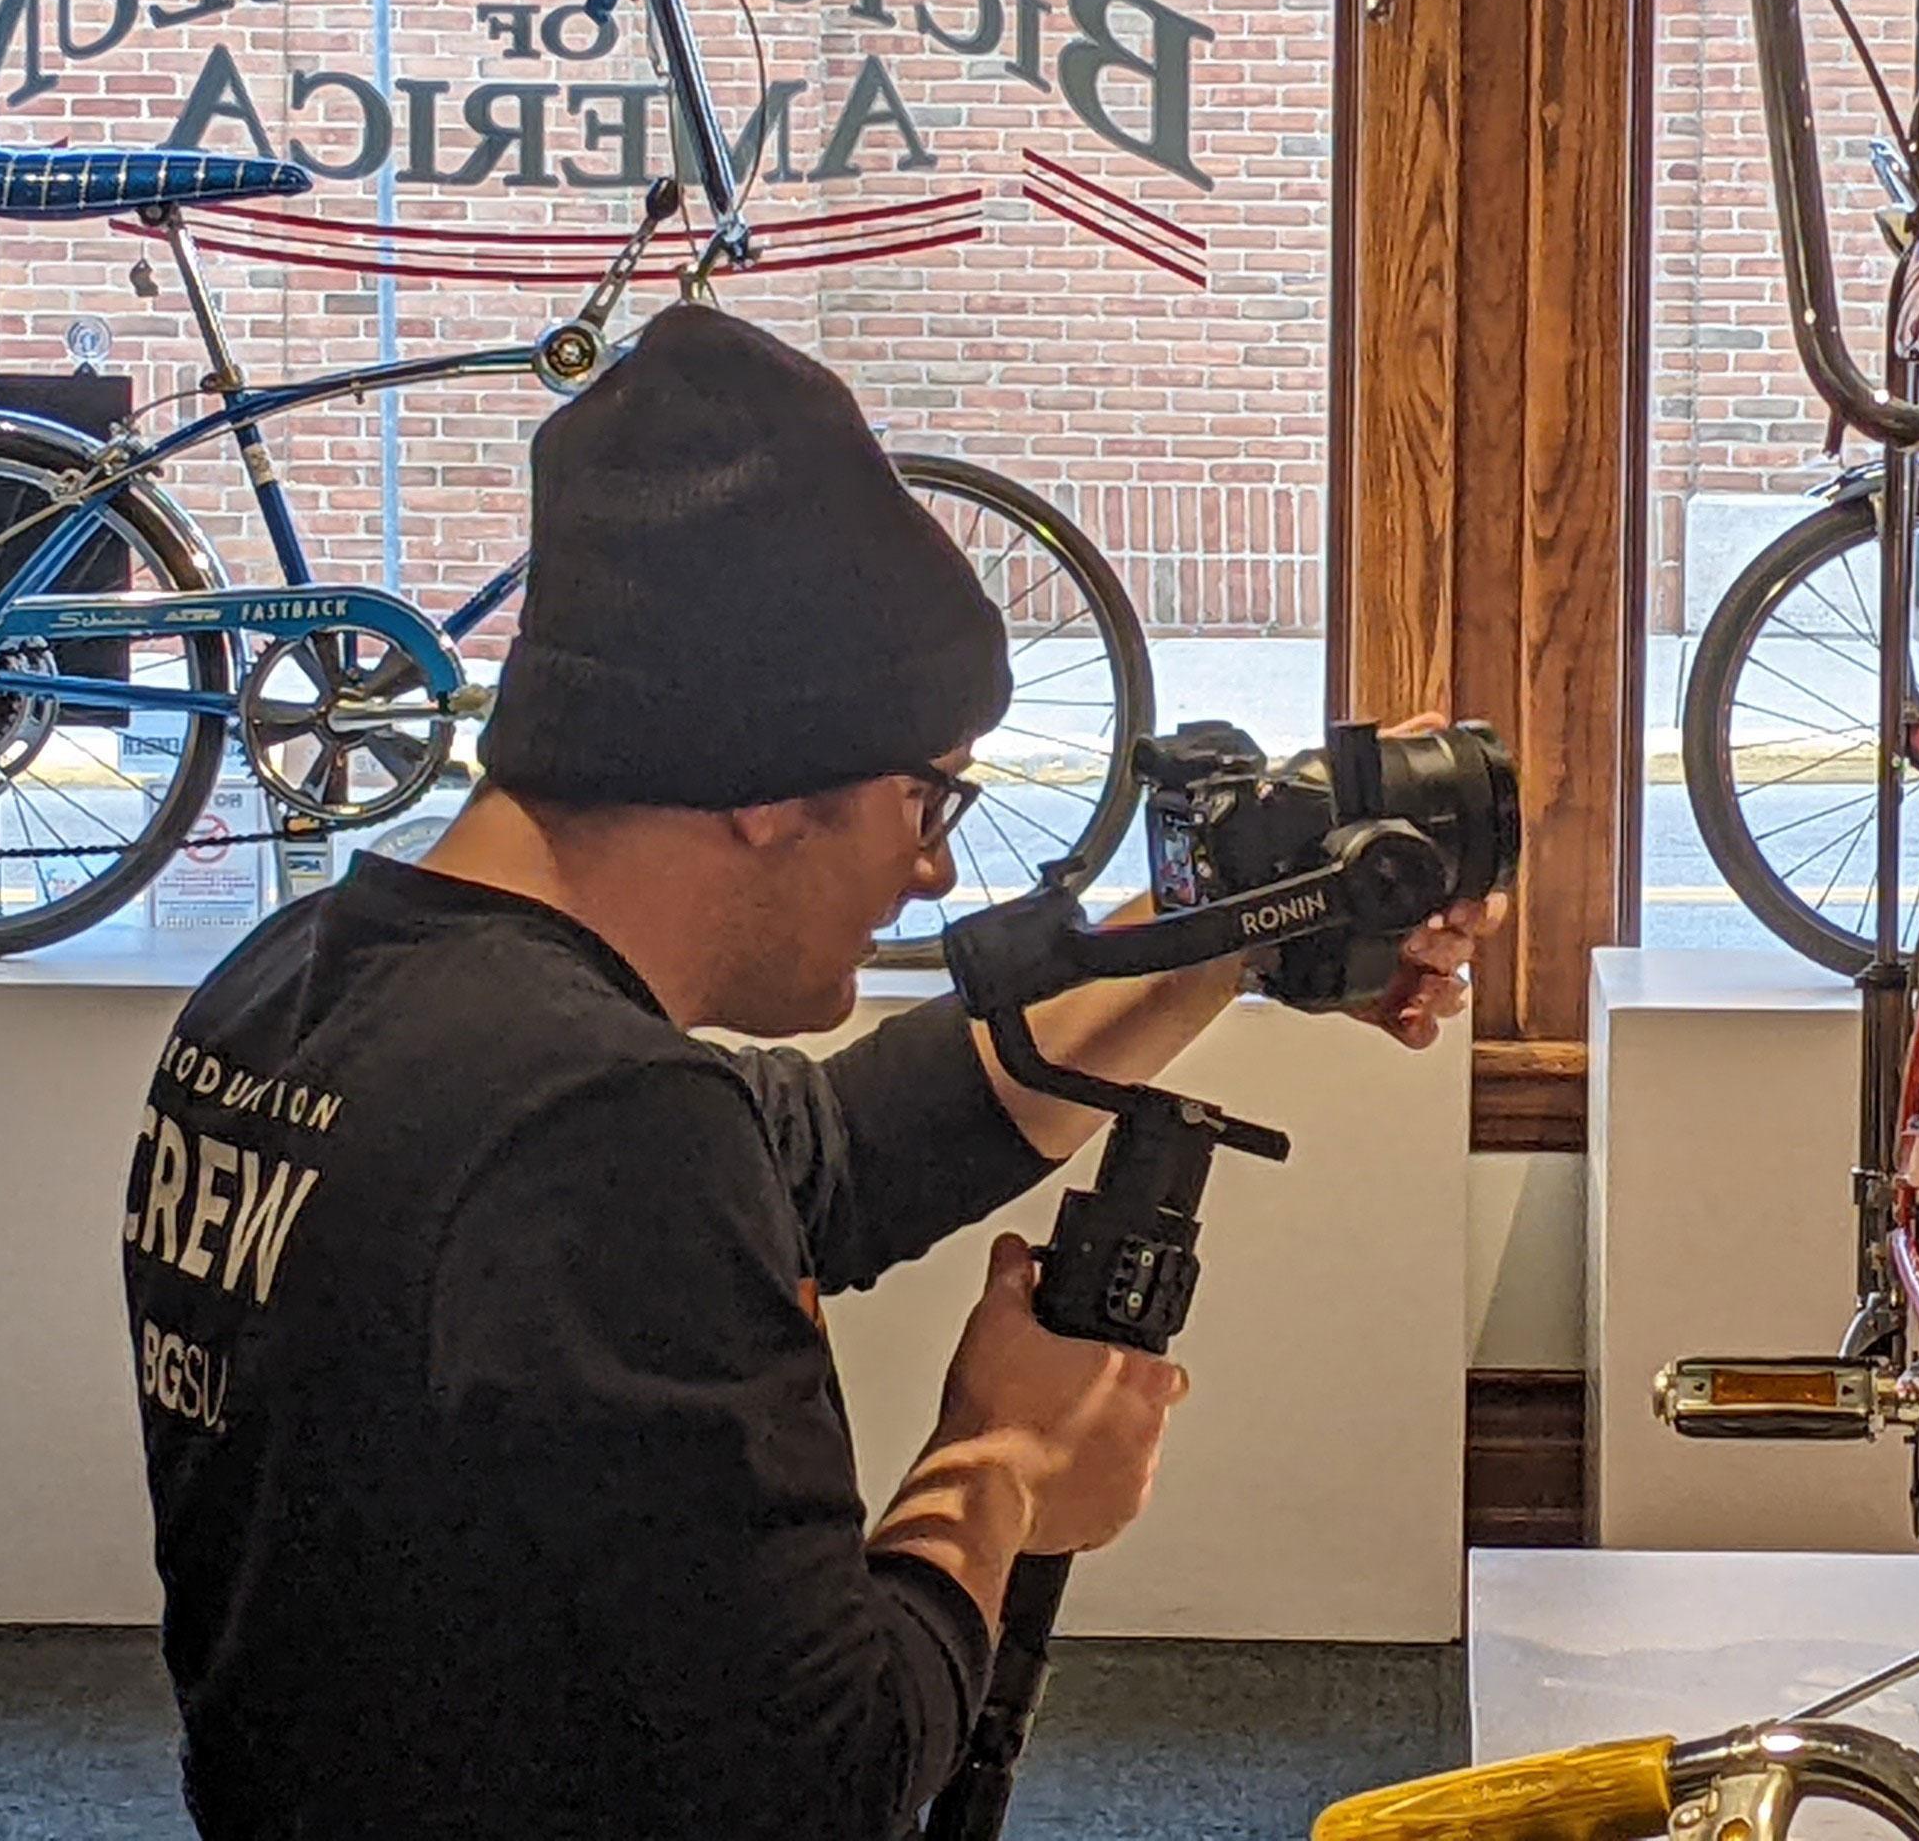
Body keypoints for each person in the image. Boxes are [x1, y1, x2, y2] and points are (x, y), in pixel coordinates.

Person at [118, 304, 1496, 1841]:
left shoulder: (291, 998)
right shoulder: (598, 1126)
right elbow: (826, 1777)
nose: (928, 871)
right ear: (770, 789)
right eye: (926, 795)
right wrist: (1002, 1467)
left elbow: (841, 1153)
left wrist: (1223, 932)